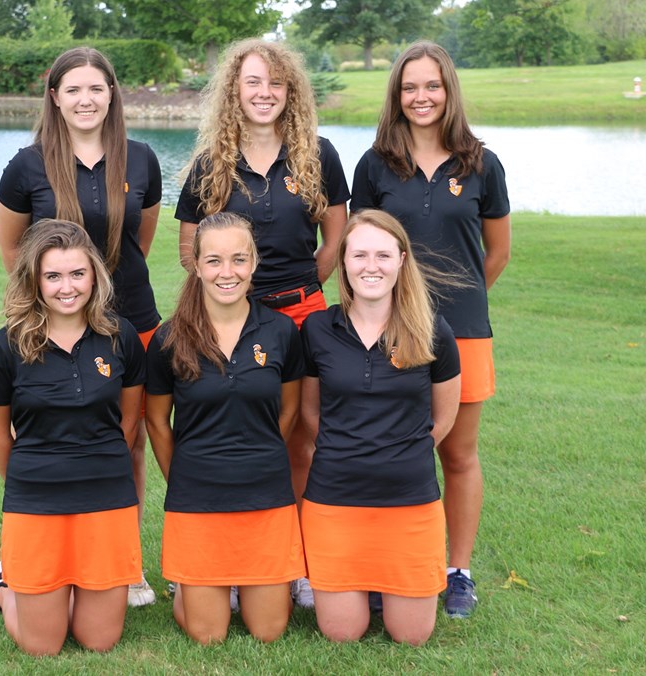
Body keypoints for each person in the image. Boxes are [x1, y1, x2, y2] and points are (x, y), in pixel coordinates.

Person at [174, 36, 350, 609]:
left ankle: (295, 564)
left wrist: (302, 289)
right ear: (235, 90)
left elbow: (336, 240)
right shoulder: (211, 164)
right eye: (253, 81)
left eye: (276, 83)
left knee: (301, 440)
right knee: (225, 433)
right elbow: (188, 249)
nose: (265, 93)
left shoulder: (317, 154)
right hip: (226, 315)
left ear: (290, 91)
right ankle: (214, 562)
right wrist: (234, 295)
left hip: (301, 312)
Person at [350, 40, 511, 619]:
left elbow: (495, 254)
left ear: (449, 91)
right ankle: (377, 566)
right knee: (385, 449)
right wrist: (406, 308)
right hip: (387, 331)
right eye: (410, 86)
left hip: (463, 331)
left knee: (458, 454)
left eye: (432, 85)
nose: (421, 97)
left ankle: (457, 570)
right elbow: (359, 247)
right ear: (396, 95)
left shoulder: (482, 163)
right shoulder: (374, 165)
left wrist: (454, 304)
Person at [0, 46, 162, 606]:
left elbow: (140, 243)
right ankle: (39, 548)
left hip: (131, 321)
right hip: (54, 327)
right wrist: (59, 302)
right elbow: (16, 254)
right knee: (50, 432)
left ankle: (125, 563)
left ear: (112, 94)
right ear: (55, 98)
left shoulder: (140, 159)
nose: (85, 99)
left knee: (128, 438)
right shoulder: (26, 165)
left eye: (96, 88)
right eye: (73, 90)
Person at [0, 220, 146, 655]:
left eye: (77, 274)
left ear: (94, 276)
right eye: (53, 276)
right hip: (36, 501)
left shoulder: (121, 337)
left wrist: (96, 465)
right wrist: (33, 481)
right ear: (34, 280)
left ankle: (55, 591)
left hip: (107, 497)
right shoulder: (4, 349)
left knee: (98, 640)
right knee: (42, 645)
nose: (66, 287)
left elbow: (129, 423)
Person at [299, 209, 461, 644]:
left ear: (402, 260)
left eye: (384, 255)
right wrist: (348, 451)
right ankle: (362, 589)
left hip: (409, 502)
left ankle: (384, 588)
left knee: (411, 635)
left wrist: (399, 453)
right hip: (335, 502)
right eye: (360, 255)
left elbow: (444, 419)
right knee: (342, 632)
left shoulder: (433, 331)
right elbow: (310, 414)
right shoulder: (317, 329)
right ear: (344, 262)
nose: (372, 266)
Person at [145, 213, 305, 644]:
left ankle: (247, 582)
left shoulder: (282, 332)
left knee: (269, 631)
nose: (227, 272)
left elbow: (289, 413)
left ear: (254, 262)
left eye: (238, 259)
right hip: (197, 497)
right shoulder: (169, 338)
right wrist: (182, 476)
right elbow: (157, 421)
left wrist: (260, 456)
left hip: (265, 494)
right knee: (208, 634)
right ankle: (196, 585)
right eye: (214, 261)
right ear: (196, 265)